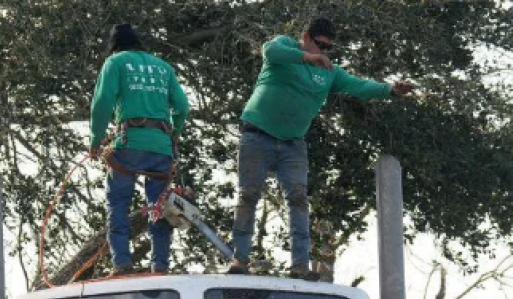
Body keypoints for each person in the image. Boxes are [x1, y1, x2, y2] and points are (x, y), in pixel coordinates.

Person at [228, 17, 414, 281]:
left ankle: (300, 266)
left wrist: (390, 90)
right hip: (257, 135)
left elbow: (358, 85)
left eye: (328, 48)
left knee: (298, 200)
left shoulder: (330, 72)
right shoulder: (285, 48)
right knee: (248, 195)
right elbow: (270, 50)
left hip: (293, 143)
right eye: (320, 45)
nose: (324, 52)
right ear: (306, 37)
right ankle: (240, 258)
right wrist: (306, 57)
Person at [90, 23, 190, 276]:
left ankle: (122, 263)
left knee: (118, 204)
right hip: (161, 146)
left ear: (114, 46)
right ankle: (160, 266)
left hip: (128, 144)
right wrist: (174, 136)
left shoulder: (115, 63)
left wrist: (95, 140)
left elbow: (102, 103)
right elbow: (182, 107)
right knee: (159, 207)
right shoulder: (163, 67)